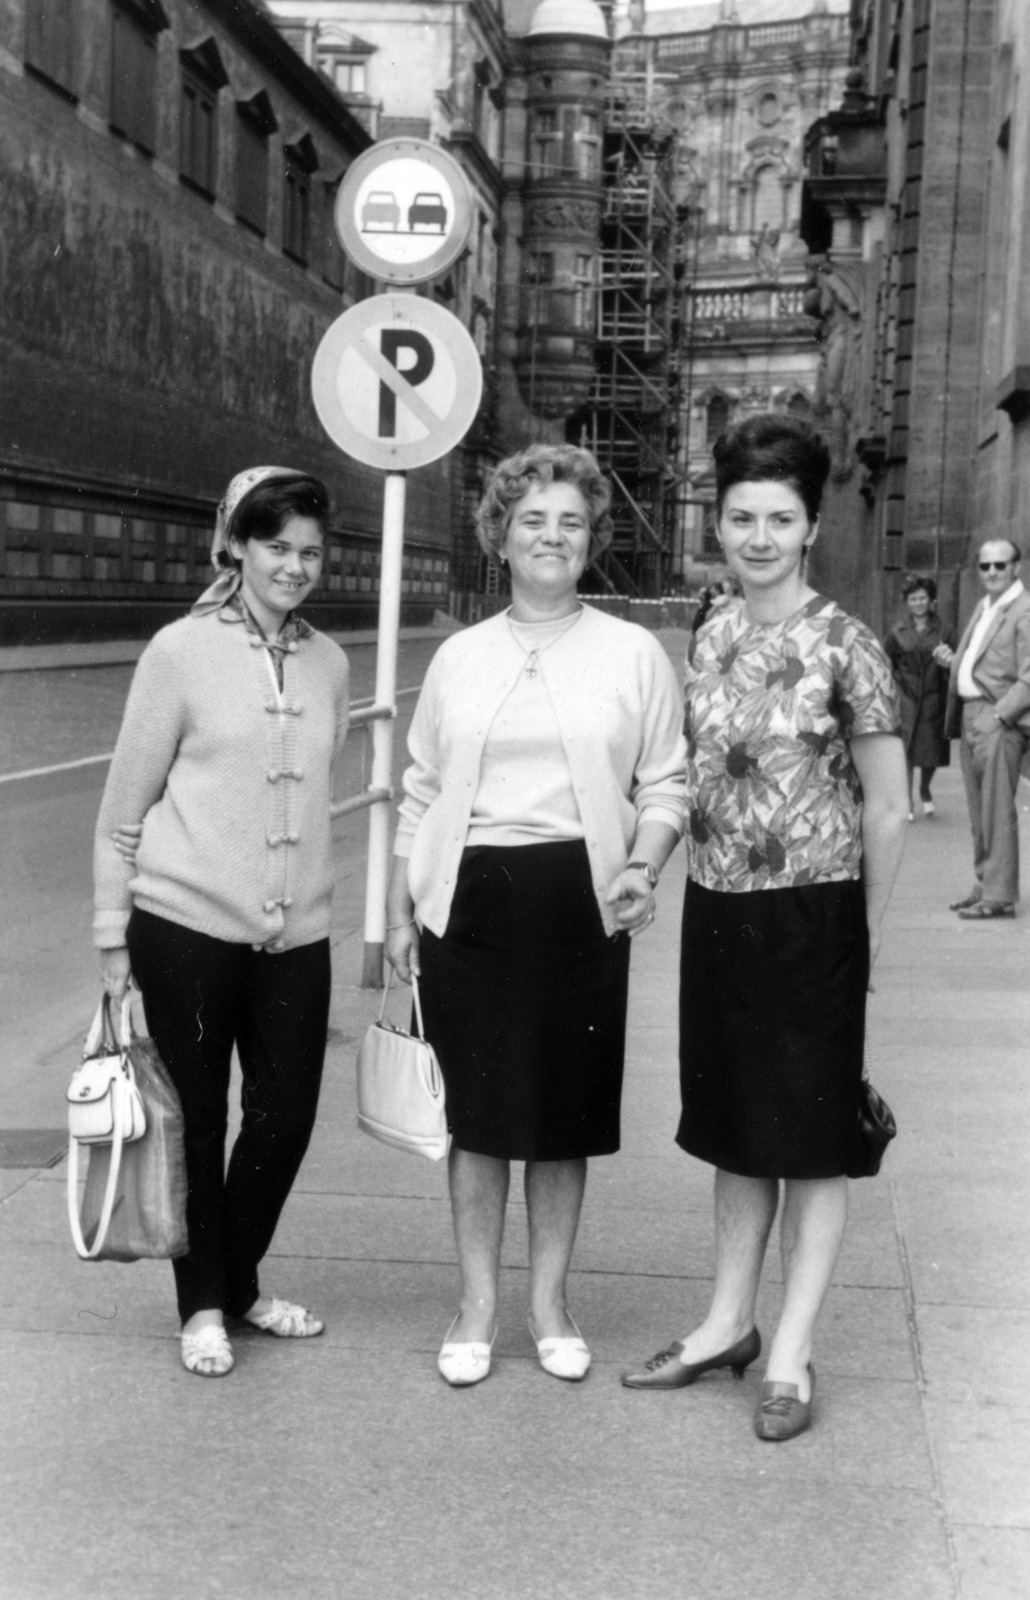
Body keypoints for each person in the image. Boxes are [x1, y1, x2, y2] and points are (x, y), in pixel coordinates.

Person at [622, 414, 908, 1441]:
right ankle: (724, 1322)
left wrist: (860, 943)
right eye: (740, 515)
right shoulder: (709, 631)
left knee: (813, 1143)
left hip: (814, 915)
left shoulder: (848, 644)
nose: (756, 535)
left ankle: (789, 1348)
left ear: (811, 524)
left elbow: (887, 804)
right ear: (719, 520)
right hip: (719, 911)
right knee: (737, 1132)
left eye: (777, 518)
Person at [386, 444, 686, 1388]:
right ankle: (476, 1304)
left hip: (583, 898)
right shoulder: (460, 658)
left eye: (570, 522)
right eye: (532, 522)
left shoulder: (633, 653)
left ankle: (550, 1303)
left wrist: (644, 862)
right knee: (476, 1119)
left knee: (561, 1117)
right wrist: (400, 909)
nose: (551, 536)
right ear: (501, 538)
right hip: (469, 899)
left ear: (591, 540)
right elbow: (422, 789)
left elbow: (667, 781)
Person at [93, 467, 350, 1378]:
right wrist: (110, 935)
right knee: (198, 1122)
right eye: (276, 547)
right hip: (185, 925)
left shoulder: (329, 662)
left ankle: (232, 1281)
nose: (295, 567)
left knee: (284, 1121)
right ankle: (202, 1303)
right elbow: (124, 811)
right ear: (236, 546)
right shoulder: (178, 651)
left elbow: (317, 786)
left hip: (298, 932)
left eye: (311, 552)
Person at [944, 538, 1030, 919]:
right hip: (971, 715)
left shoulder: (1024, 609)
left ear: (1017, 567)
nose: (992, 572)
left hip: (996, 720)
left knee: (996, 811)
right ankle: (984, 884)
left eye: (1000, 565)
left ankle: (999, 894)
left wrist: (1001, 716)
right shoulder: (986, 605)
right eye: (985, 566)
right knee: (979, 812)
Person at [884, 573, 954, 820]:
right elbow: (887, 661)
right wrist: (895, 688)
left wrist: (946, 664)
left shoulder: (945, 629)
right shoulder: (898, 631)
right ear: (907, 601)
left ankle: (925, 788)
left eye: (922, 598)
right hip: (907, 698)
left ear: (931, 599)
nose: (918, 603)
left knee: (930, 752)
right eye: (913, 599)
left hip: (933, 699)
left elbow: (955, 662)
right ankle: (908, 801)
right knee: (906, 751)